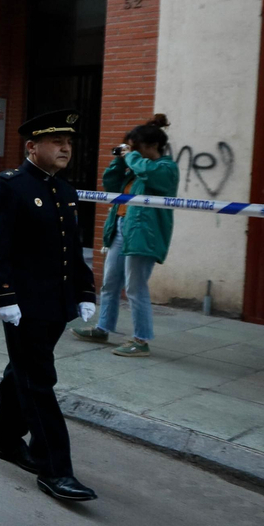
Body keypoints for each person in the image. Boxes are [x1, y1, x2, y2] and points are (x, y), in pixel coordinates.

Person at [0, 109, 100, 503]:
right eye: (56, 142)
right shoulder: (10, 187)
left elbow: (72, 250)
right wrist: (1, 295)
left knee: (22, 373)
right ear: (33, 147)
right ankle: (56, 470)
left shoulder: (65, 191)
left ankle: (6, 440)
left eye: (69, 142)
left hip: (57, 305)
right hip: (24, 306)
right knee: (39, 382)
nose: (66, 148)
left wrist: (84, 292)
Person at [73, 114, 178, 357]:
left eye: (136, 147)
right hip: (121, 227)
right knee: (110, 283)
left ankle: (141, 340)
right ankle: (103, 327)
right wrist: (120, 162)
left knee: (135, 287)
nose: (131, 151)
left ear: (151, 147)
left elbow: (151, 175)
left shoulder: (166, 168)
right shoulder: (134, 169)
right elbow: (110, 184)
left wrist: (130, 157)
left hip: (144, 233)